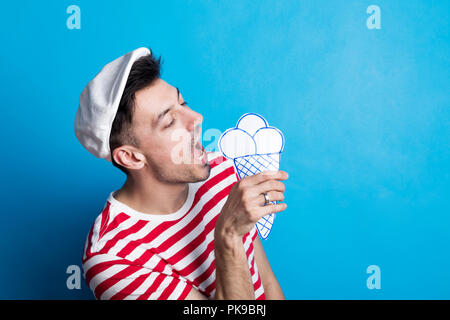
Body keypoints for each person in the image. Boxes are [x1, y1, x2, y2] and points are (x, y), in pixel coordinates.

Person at [75, 47, 289, 300]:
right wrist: (228, 236)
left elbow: (267, 285)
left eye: (183, 102)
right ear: (131, 157)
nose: (196, 118)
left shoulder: (219, 171)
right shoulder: (113, 259)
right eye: (169, 121)